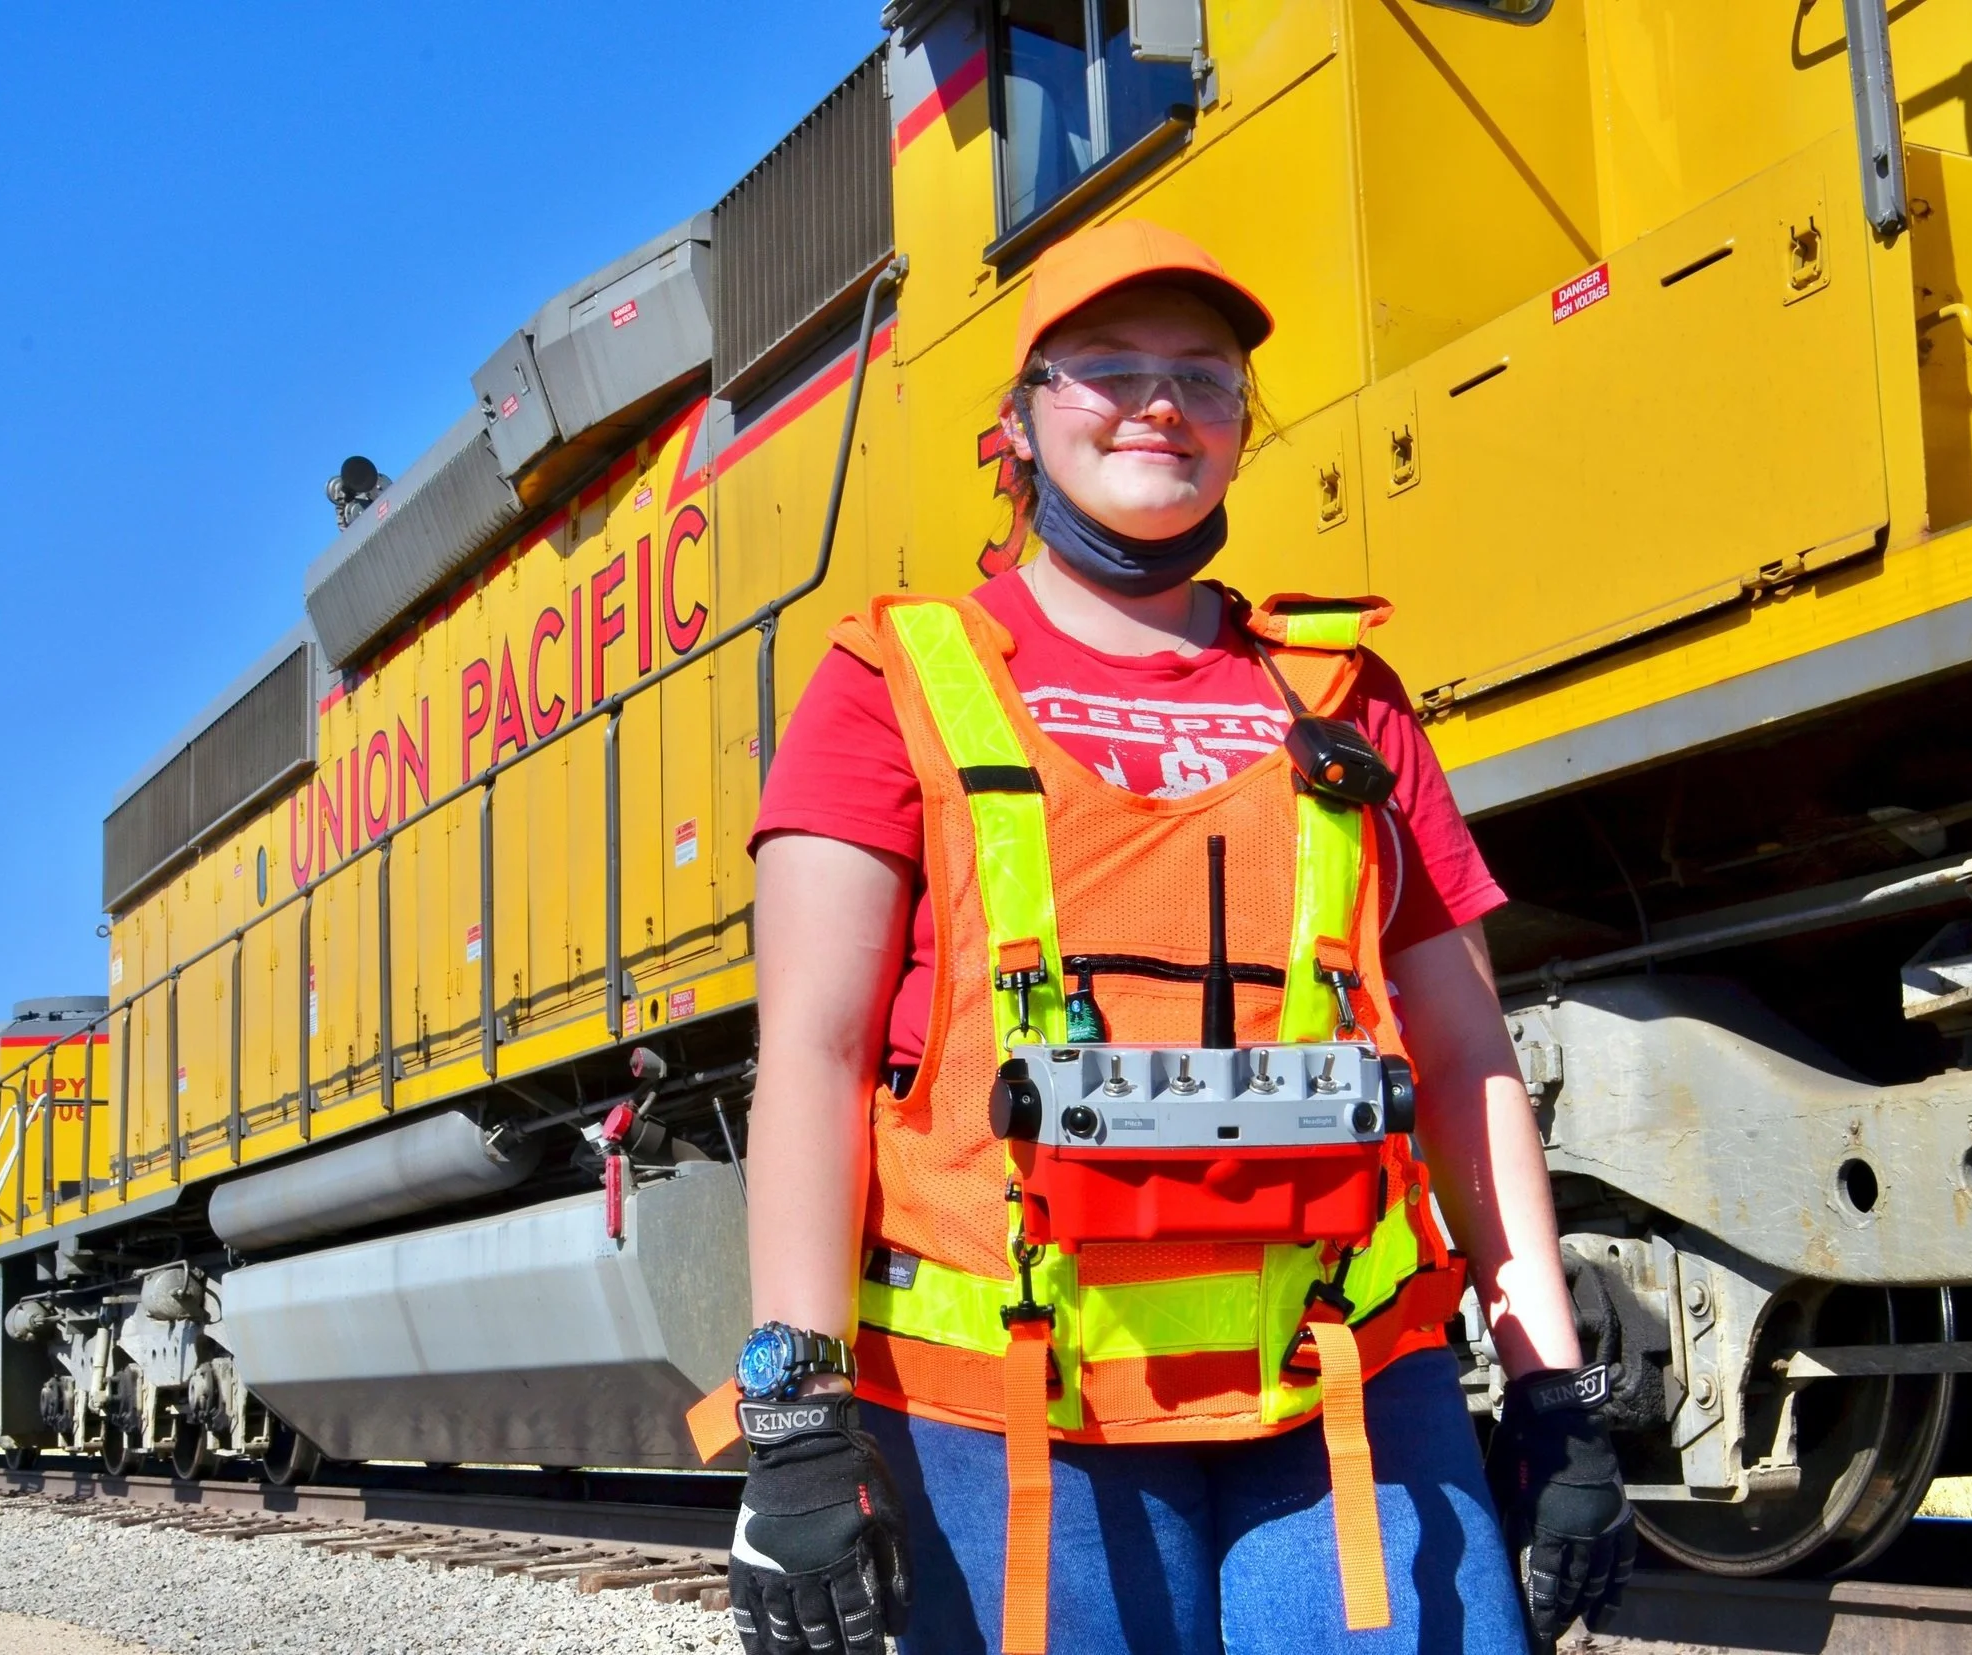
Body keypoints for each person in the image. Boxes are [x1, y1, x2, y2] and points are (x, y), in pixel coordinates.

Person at [697, 219, 1633, 1655]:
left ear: (1244, 427)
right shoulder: (892, 683)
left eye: (1204, 376)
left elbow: (1465, 1058)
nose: (1160, 404)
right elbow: (811, 1059)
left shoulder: (1347, 694)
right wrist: (795, 1417)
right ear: (1017, 424)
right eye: (1108, 370)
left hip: (1336, 1384)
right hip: (996, 1404)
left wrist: (1552, 1390)